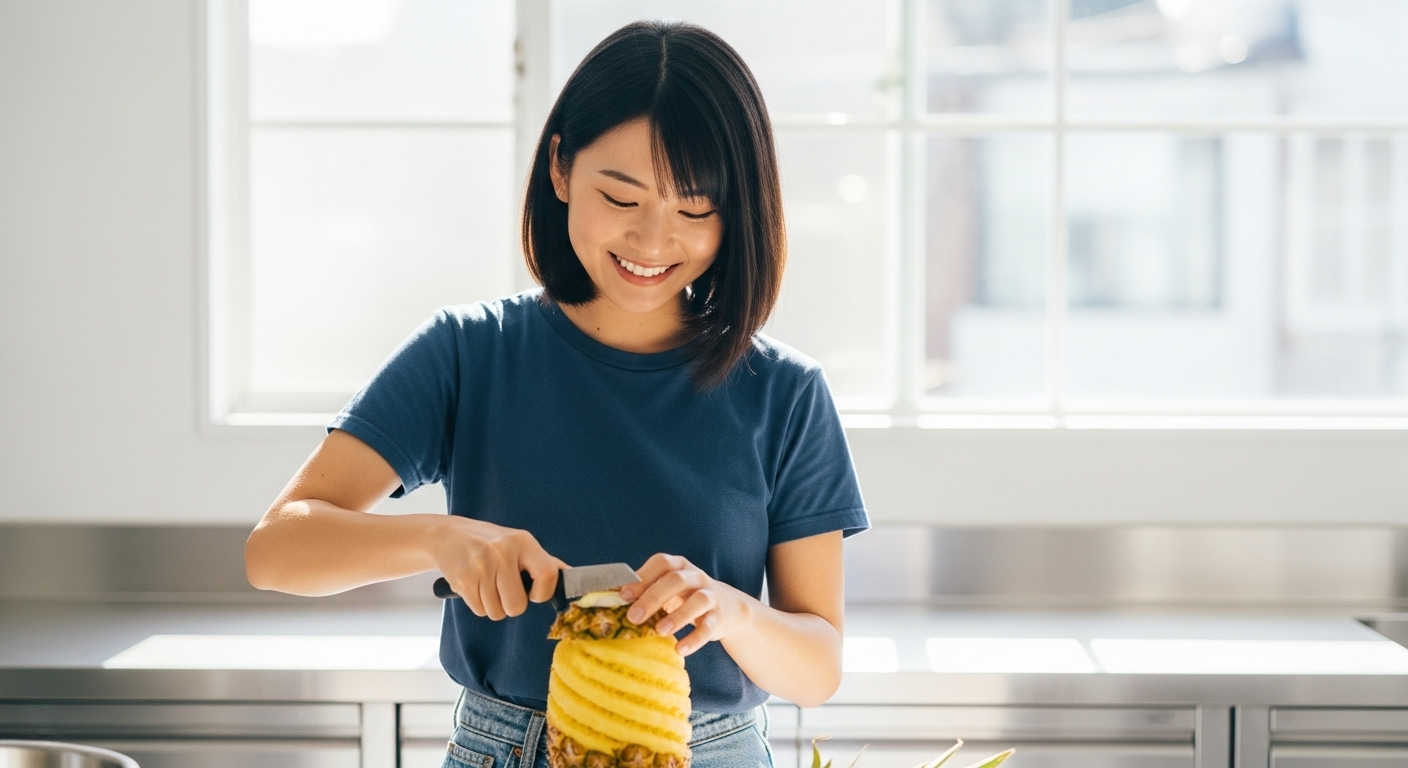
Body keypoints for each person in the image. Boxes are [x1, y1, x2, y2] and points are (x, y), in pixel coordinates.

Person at [244, 19, 868, 768]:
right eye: (621, 195)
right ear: (561, 170)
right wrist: (439, 538)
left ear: (736, 214)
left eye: (694, 209)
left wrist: (731, 610)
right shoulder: (471, 353)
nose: (652, 240)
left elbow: (818, 667)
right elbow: (276, 550)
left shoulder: (786, 394)